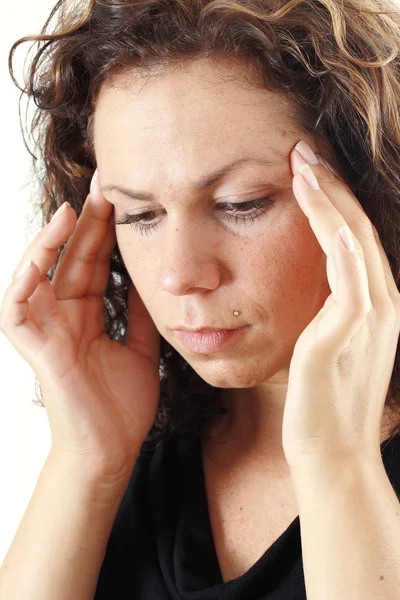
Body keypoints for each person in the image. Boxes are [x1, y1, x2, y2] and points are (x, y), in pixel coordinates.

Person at [1, 0, 400, 598]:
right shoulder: (134, 462)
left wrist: (339, 468)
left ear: (372, 193)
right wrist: (86, 460)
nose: (179, 276)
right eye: (139, 214)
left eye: (242, 203)